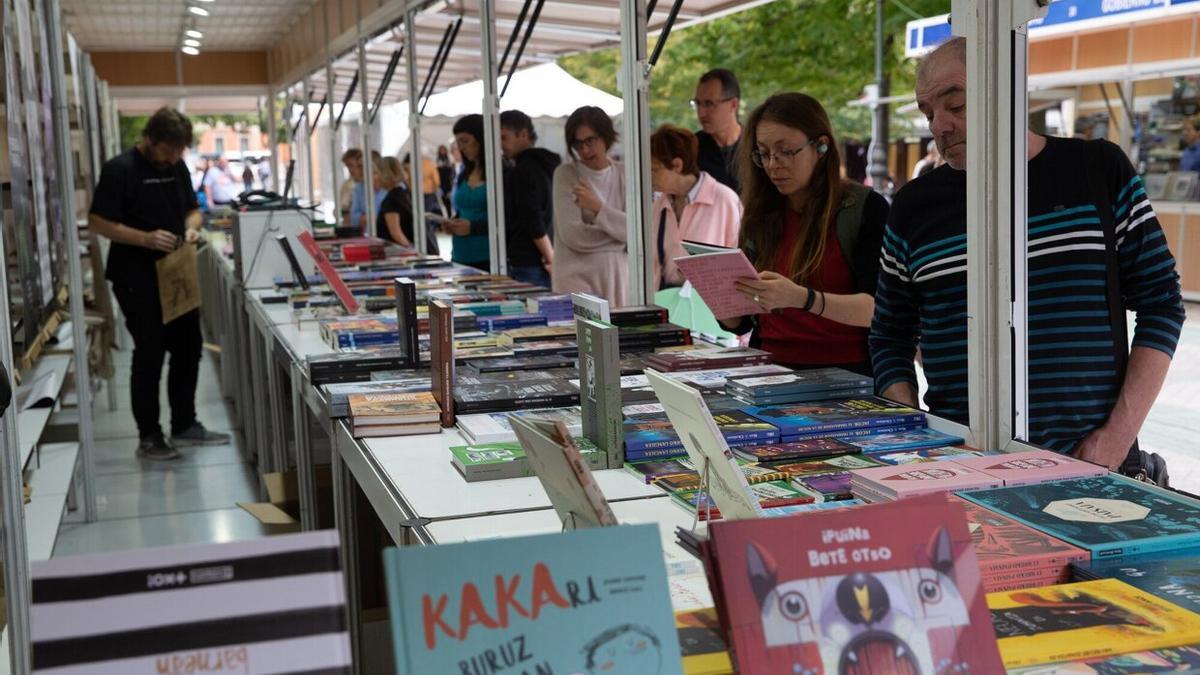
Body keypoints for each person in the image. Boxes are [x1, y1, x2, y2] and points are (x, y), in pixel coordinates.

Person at [870, 37, 1185, 476]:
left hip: (1091, 461)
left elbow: (1162, 304)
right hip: (961, 464)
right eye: (928, 113)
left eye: (955, 106)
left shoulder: (1096, 170)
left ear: (1004, 89)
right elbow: (889, 335)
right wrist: (912, 435)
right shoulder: (913, 207)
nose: (939, 126)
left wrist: (1116, 438)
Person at [87, 107, 231, 460]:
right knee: (149, 353)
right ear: (150, 140)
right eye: (168, 151)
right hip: (135, 276)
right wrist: (144, 238)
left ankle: (185, 424)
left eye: (179, 151)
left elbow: (192, 209)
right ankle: (149, 436)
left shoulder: (177, 167)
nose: (172, 158)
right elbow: (98, 221)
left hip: (176, 271)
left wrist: (193, 225)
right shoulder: (120, 170)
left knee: (188, 347)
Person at [719, 93, 888, 375]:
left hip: (849, 375)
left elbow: (881, 310)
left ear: (821, 147)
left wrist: (801, 298)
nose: (774, 164)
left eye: (786, 151)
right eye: (763, 153)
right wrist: (721, 297)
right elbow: (743, 323)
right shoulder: (760, 213)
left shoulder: (863, 208)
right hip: (768, 372)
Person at [648, 124, 742, 289]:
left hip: (709, 308)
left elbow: (740, 263)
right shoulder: (658, 204)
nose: (648, 177)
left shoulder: (724, 200)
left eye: (654, 170)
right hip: (665, 304)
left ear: (677, 165)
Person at [552, 106, 627, 304]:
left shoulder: (625, 173)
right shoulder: (566, 174)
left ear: (606, 137)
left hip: (617, 281)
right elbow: (573, 235)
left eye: (590, 141)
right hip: (574, 281)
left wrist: (598, 209)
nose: (584, 150)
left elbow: (638, 231)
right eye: (577, 144)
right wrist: (618, 236)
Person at [500, 109, 560, 288]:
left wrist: (551, 258)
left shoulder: (522, 170)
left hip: (530, 260)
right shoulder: (550, 164)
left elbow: (533, 219)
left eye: (504, 137)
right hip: (547, 254)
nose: (501, 145)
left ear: (523, 134)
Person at [444, 115, 491, 270]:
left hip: (488, 256)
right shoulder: (465, 173)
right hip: (460, 254)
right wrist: (453, 222)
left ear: (481, 139)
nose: (461, 147)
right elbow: (463, 210)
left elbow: (508, 220)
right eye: (458, 142)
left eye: (465, 141)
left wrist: (473, 227)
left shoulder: (499, 173)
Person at [693, 68, 743, 193]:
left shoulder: (757, 146)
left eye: (709, 104)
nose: (701, 113)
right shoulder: (691, 149)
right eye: (698, 103)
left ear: (733, 105)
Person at [341, 148, 364, 228]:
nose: (350, 170)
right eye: (347, 166)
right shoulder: (346, 185)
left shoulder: (367, 186)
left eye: (351, 165)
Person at [436, 144, 456, 215]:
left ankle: (450, 214)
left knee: (449, 201)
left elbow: (452, 171)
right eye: (441, 150)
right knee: (444, 200)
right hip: (441, 184)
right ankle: (448, 215)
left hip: (448, 183)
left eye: (444, 150)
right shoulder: (437, 160)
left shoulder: (449, 159)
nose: (442, 151)